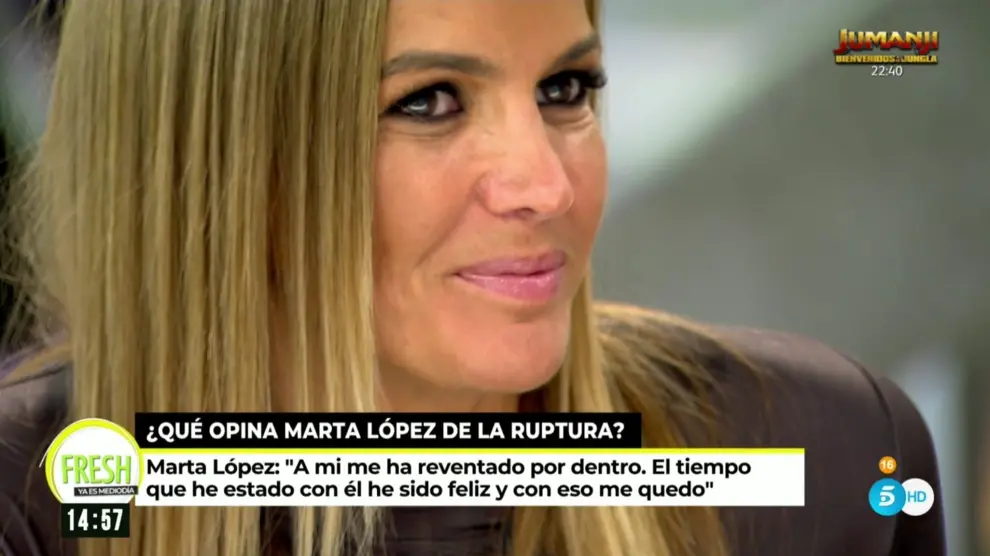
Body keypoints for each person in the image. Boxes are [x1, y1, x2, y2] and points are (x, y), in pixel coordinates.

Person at [0, 1, 946, 556]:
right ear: (217, 162)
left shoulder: (831, 458)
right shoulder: (29, 500)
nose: (545, 185)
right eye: (430, 102)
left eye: (565, 90)